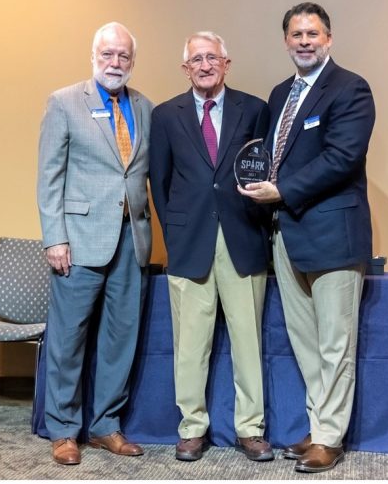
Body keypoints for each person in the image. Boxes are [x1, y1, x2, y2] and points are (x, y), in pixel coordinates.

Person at [238, 2, 375, 473]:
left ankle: (330, 437)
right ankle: (319, 428)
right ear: (286, 41)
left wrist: (281, 190)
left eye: (312, 33)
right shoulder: (280, 94)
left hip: (334, 236)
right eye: (295, 34)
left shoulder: (351, 88)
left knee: (336, 344)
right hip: (287, 236)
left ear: (329, 38)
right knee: (307, 344)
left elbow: (343, 157)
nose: (304, 41)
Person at [148, 31, 272, 462]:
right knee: (190, 344)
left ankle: (251, 429)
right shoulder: (165, 115)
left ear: (226, 63)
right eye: (196, 59)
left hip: (242, 241)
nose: (205, 65)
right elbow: (159, 183)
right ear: (186, 68)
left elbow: (262, 171)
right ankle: (192, 428)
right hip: (189, 244)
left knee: (247, 342)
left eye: (212, 58)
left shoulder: (255, 110)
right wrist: (175, 231)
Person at [36, 22, 153, 465]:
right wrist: (55, 238)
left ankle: (106, 426)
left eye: (123, 56)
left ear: (132, 61)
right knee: (68, 339)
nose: (115, 63)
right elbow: (49, 176)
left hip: (132, 239)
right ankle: (64, 430)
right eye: (107, 54)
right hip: (78, 241)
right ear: (93, 56)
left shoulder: (145, 107)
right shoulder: (65, 102)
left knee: (121, 338)